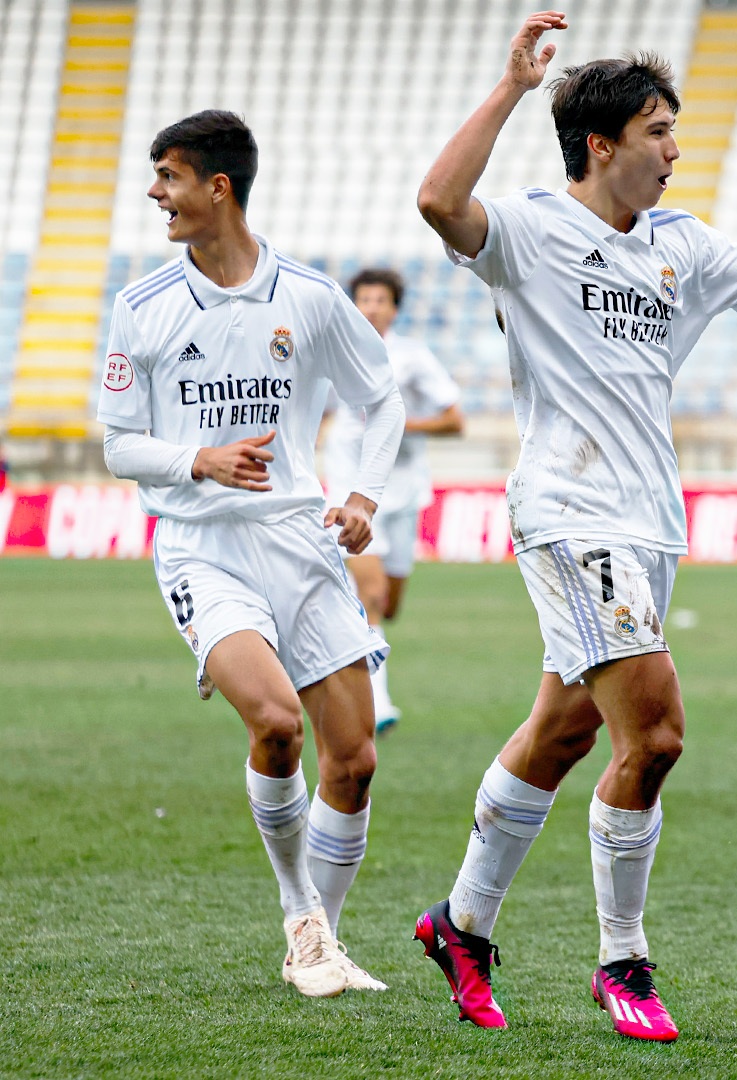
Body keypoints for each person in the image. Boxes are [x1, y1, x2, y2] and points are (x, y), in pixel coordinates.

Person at [410, 12, 737, 1041]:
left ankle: (462, 924)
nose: (675, 149)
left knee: (563, 733)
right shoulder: (526, 231)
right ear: (602, 144)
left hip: (648, 521)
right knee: (654, 736)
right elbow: (437, 201)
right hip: (568, 510)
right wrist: (514, 88)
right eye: (658, 130)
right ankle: (625, 961)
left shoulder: (681, 247)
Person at [96, 110, 403, 998]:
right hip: (201, 547)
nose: (157, 193)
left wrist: (362, 496)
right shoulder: (144, 307)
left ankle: (326, 940)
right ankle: (301, 916)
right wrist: (197, 459)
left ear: (217, 186)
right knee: (276, 724)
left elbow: (379, 401)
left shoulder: (307, 295)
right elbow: (119, 445)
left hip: (301, 545)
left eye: (169, 177)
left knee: (354, 762)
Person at [322, 267, 466, 734]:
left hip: (403, 491)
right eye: (364, 299)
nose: (372, 308)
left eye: (381, 300)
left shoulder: (412, 357)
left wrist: (400, 423)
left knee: (390, 601)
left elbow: (454, 420)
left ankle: (351, 651)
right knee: (373, 595)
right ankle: (377, 702)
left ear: (395, 308)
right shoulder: (336, 350)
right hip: (350, 486)